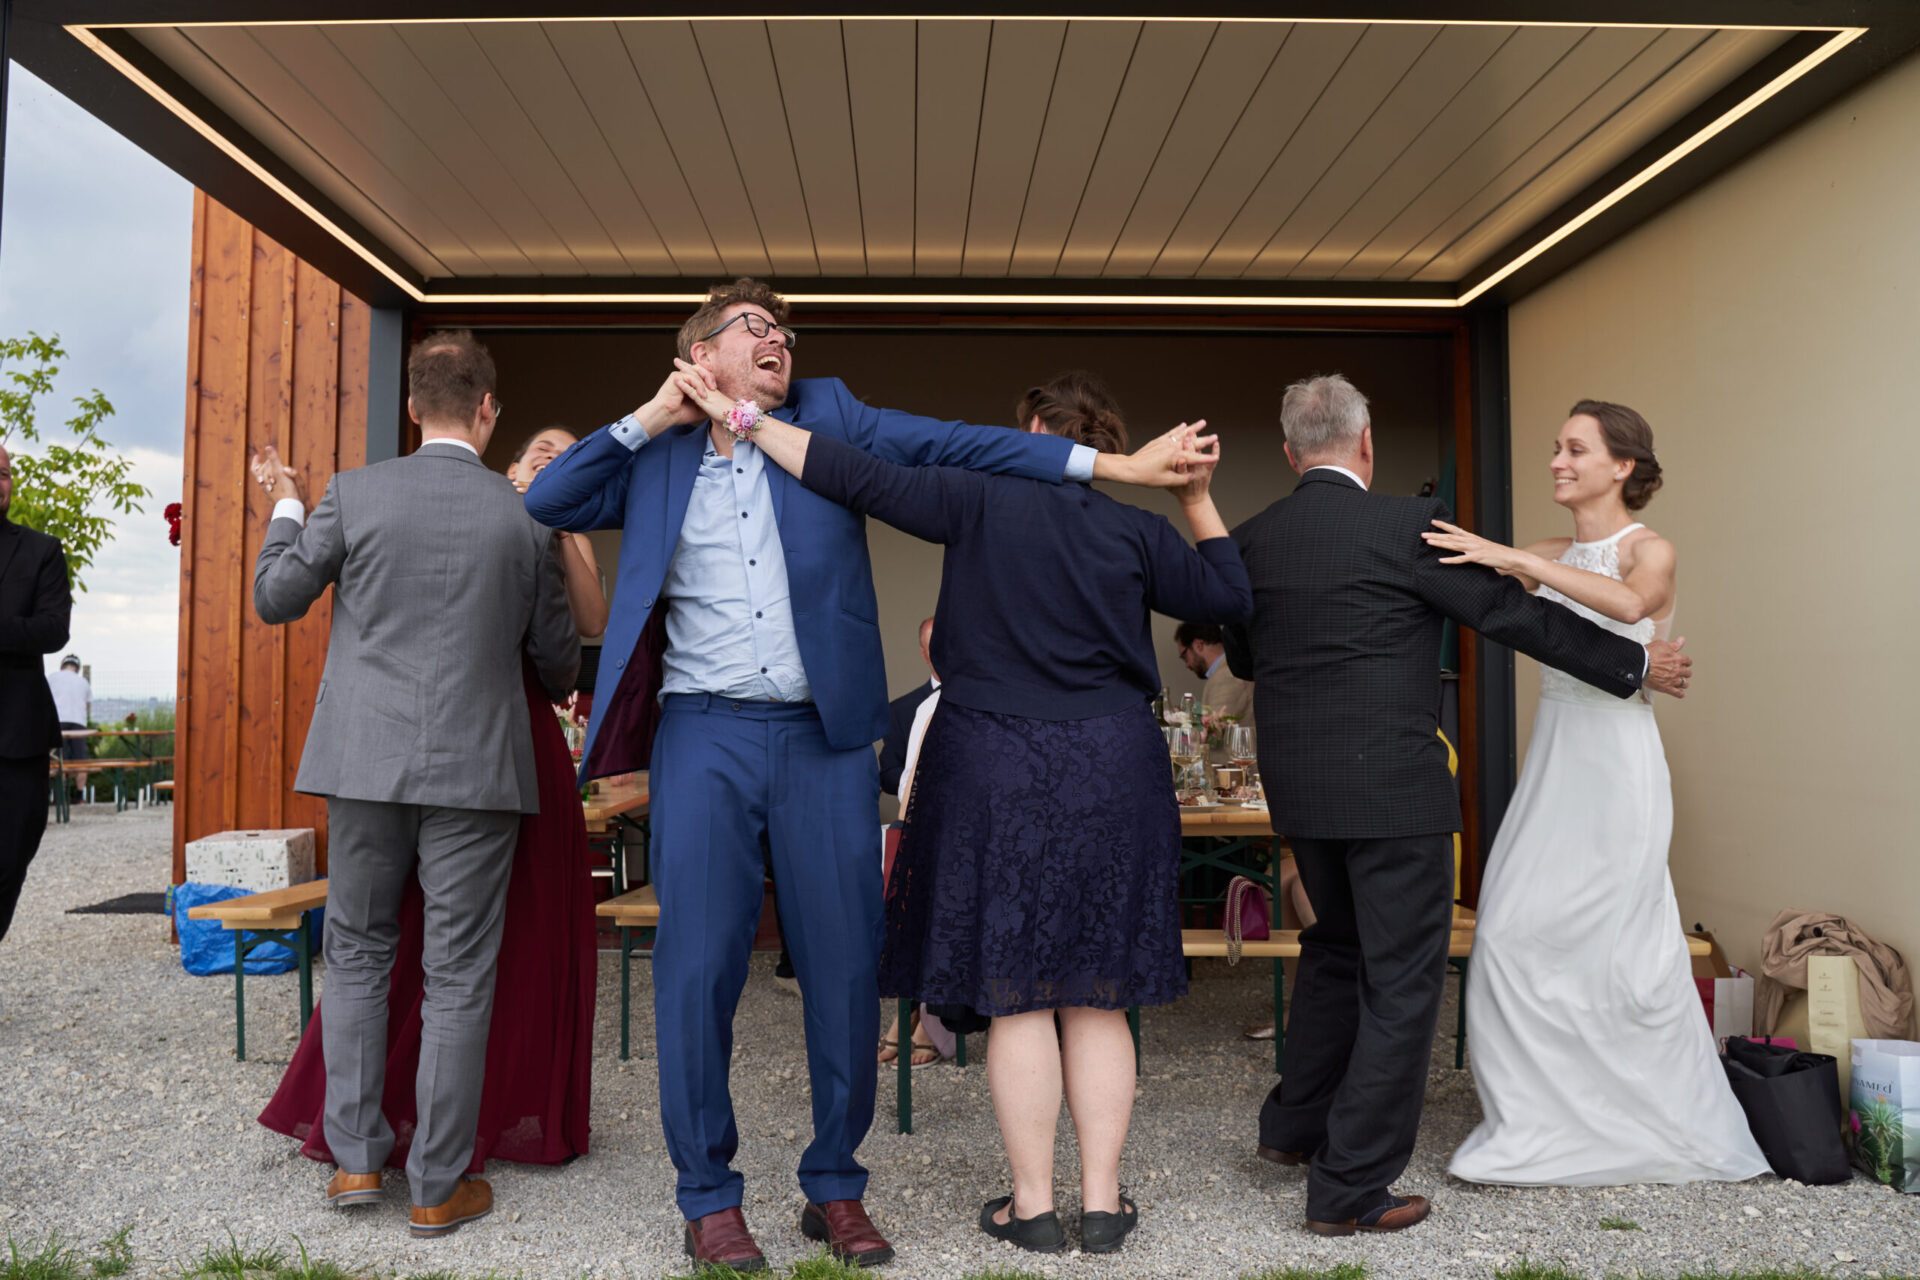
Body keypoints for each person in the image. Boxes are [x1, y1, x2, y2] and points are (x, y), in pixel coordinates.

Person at [523, 280, 1198, 1273]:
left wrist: (1113, 463)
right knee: (698, 964)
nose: (780, 343)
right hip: (702, 731)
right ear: (700, 350)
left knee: (844, 965)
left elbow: (968, 445)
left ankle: (834, 1182)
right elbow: (548, 498)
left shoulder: (830, 416)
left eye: (786, 331)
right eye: (757, 329)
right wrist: (657, 411)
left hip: (824, 736)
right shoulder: (655, 451)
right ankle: (707, 1194)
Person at [671, 366, 1249, 1255]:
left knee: (1019, 997)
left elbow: (846, 472)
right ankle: (1101, 1206)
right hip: (1112, 765)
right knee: (1099, 996)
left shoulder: (977, 497)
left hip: (997, 763)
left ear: (1032, 434)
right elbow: (1233, 604)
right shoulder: (1136, 528)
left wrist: (743, 421)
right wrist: (1198, 497)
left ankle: (1032, 1207)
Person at [1222, 374, 1695, 1237]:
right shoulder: (1407, 527)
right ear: (1367, 444)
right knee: (1401, 983)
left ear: (1292, 453)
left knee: (1334, 951)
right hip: (1395, 792)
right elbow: (1513, 619)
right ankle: (1350, 1190)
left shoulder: (1253, 539)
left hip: (1301, 792)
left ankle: (1293, 1131)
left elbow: (1246, 660)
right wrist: (1633, 668)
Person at [251, 331, 579, 1239]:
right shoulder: (526, 521)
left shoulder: (354, 493)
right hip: (478, 769)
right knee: (458, 976)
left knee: (355, 953)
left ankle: (356, 1164)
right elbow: (555, 670)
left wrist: (284, 506)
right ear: (487, 411)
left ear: (410, 407)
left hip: (361, 763)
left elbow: (275, 597)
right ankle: (437, 1182)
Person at [1423, 400, 1769, 1186]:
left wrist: (1524, 562)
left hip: (1619, 766)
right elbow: (1474, 568)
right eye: (1555, 447)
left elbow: (1628, 606)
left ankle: (1648, 1118)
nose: (1556, 460)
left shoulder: (1649, 548)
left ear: (1622, 466)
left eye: (1574, 449)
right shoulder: (1549, 550)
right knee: (1510, 939)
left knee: (1624, 952)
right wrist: (1490, 553)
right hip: (1557, 759)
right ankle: (1543, 1116)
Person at [0, 442, 71, 947]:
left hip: (16, 738)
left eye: (3, 474)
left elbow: (52, 630)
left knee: (10, 861)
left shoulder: (41, 549)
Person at [877, 616, 949, 1069]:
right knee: (914, 913)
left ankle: (925, 1020)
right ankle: (909, 1016)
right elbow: (896, 779)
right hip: (923, 829)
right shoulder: (913, 708)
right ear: (924, 653)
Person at [877, 617, 938, 798]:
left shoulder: (981, 702)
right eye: (935, 646)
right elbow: (888, 773)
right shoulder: (901, 710)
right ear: (924, 653)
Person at [1173, 621, 1254, 737]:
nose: (1186, 665)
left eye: (1184, 657)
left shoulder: (1226, 676)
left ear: (1198, 645)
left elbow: (1215, 732)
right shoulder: (1225, 672)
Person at [46, 654, 91, 770]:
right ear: (77, 668)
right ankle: (81, 789)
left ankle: (60, 787)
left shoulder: (52, 677)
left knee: (58, 761)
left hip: (57, 721)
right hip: (78, 722)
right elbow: (87, 705)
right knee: (81, 762)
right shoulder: (83, 682)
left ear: (62, 666)